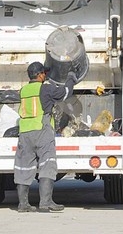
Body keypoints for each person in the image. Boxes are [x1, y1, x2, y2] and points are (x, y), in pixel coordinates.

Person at [13, 62, 78, 213]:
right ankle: (46, 202)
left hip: (24, 133)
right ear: (40, 75)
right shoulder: (46, 88)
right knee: (47, 165)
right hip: (42, 132)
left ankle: (23, 205)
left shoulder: (23, 91)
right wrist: (71, 78)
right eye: (44, 73)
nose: (45, 76)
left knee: (23, 167)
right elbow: (65, 93)